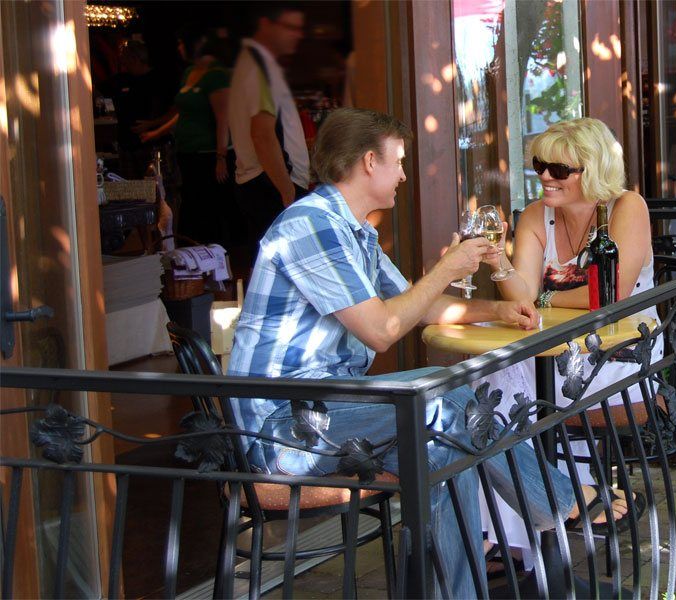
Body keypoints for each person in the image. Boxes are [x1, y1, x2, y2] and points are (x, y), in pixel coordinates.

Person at [228, 108, 626, 597]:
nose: (402, 174)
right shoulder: (310, 226)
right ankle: (560, 501)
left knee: (445, 442)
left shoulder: (354, 231)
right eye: (397, 161)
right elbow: (382, 328)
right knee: (443, 405)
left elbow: (420, 307)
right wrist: (449, 266)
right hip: (286, 428)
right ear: (369, 161)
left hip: (329, 407)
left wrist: (494, 312)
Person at [481, 117, 657, 569]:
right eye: (540, 165)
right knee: (490, 382)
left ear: (592, 169)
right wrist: (498, 260)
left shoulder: (626, 207)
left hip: (623, 354)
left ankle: (505, 534)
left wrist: (547, 292)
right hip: (556, 349)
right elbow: (521, 295)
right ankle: (551, 508)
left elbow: (610, 294)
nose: (544, 177)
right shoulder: (536, 215)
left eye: (559, 170)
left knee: (497, 392)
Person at [228, 4, 311, 266]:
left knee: (274, 268)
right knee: (284, 270)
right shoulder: (258, 65)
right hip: (271, 184)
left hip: (267, 181)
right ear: (266, 25)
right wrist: (286, 190)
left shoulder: (255, 63)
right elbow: (262, 134)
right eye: (290, 27)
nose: (297, 35)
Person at [136, 29, 235, 246]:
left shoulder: (216, 75)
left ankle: (212, 255)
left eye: (182, 43)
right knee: (190, 202)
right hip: (187, 152)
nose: (179, 48)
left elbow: (223, 118)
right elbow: (183, 111)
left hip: (208, 154)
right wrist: (156, 130)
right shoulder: (189, 71)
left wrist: (221, 157)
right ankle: (192, 257)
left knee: (207, 207)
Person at [100, 39, 176, 179]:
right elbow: (99, 91)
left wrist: (152, 125)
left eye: (125, 58)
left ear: (135, 58)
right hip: (126, 145)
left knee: (158, 186)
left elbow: (175, 111)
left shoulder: (159, 80)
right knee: (132, 189)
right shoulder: (121, 80)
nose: (123, 63)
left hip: (153, 144)